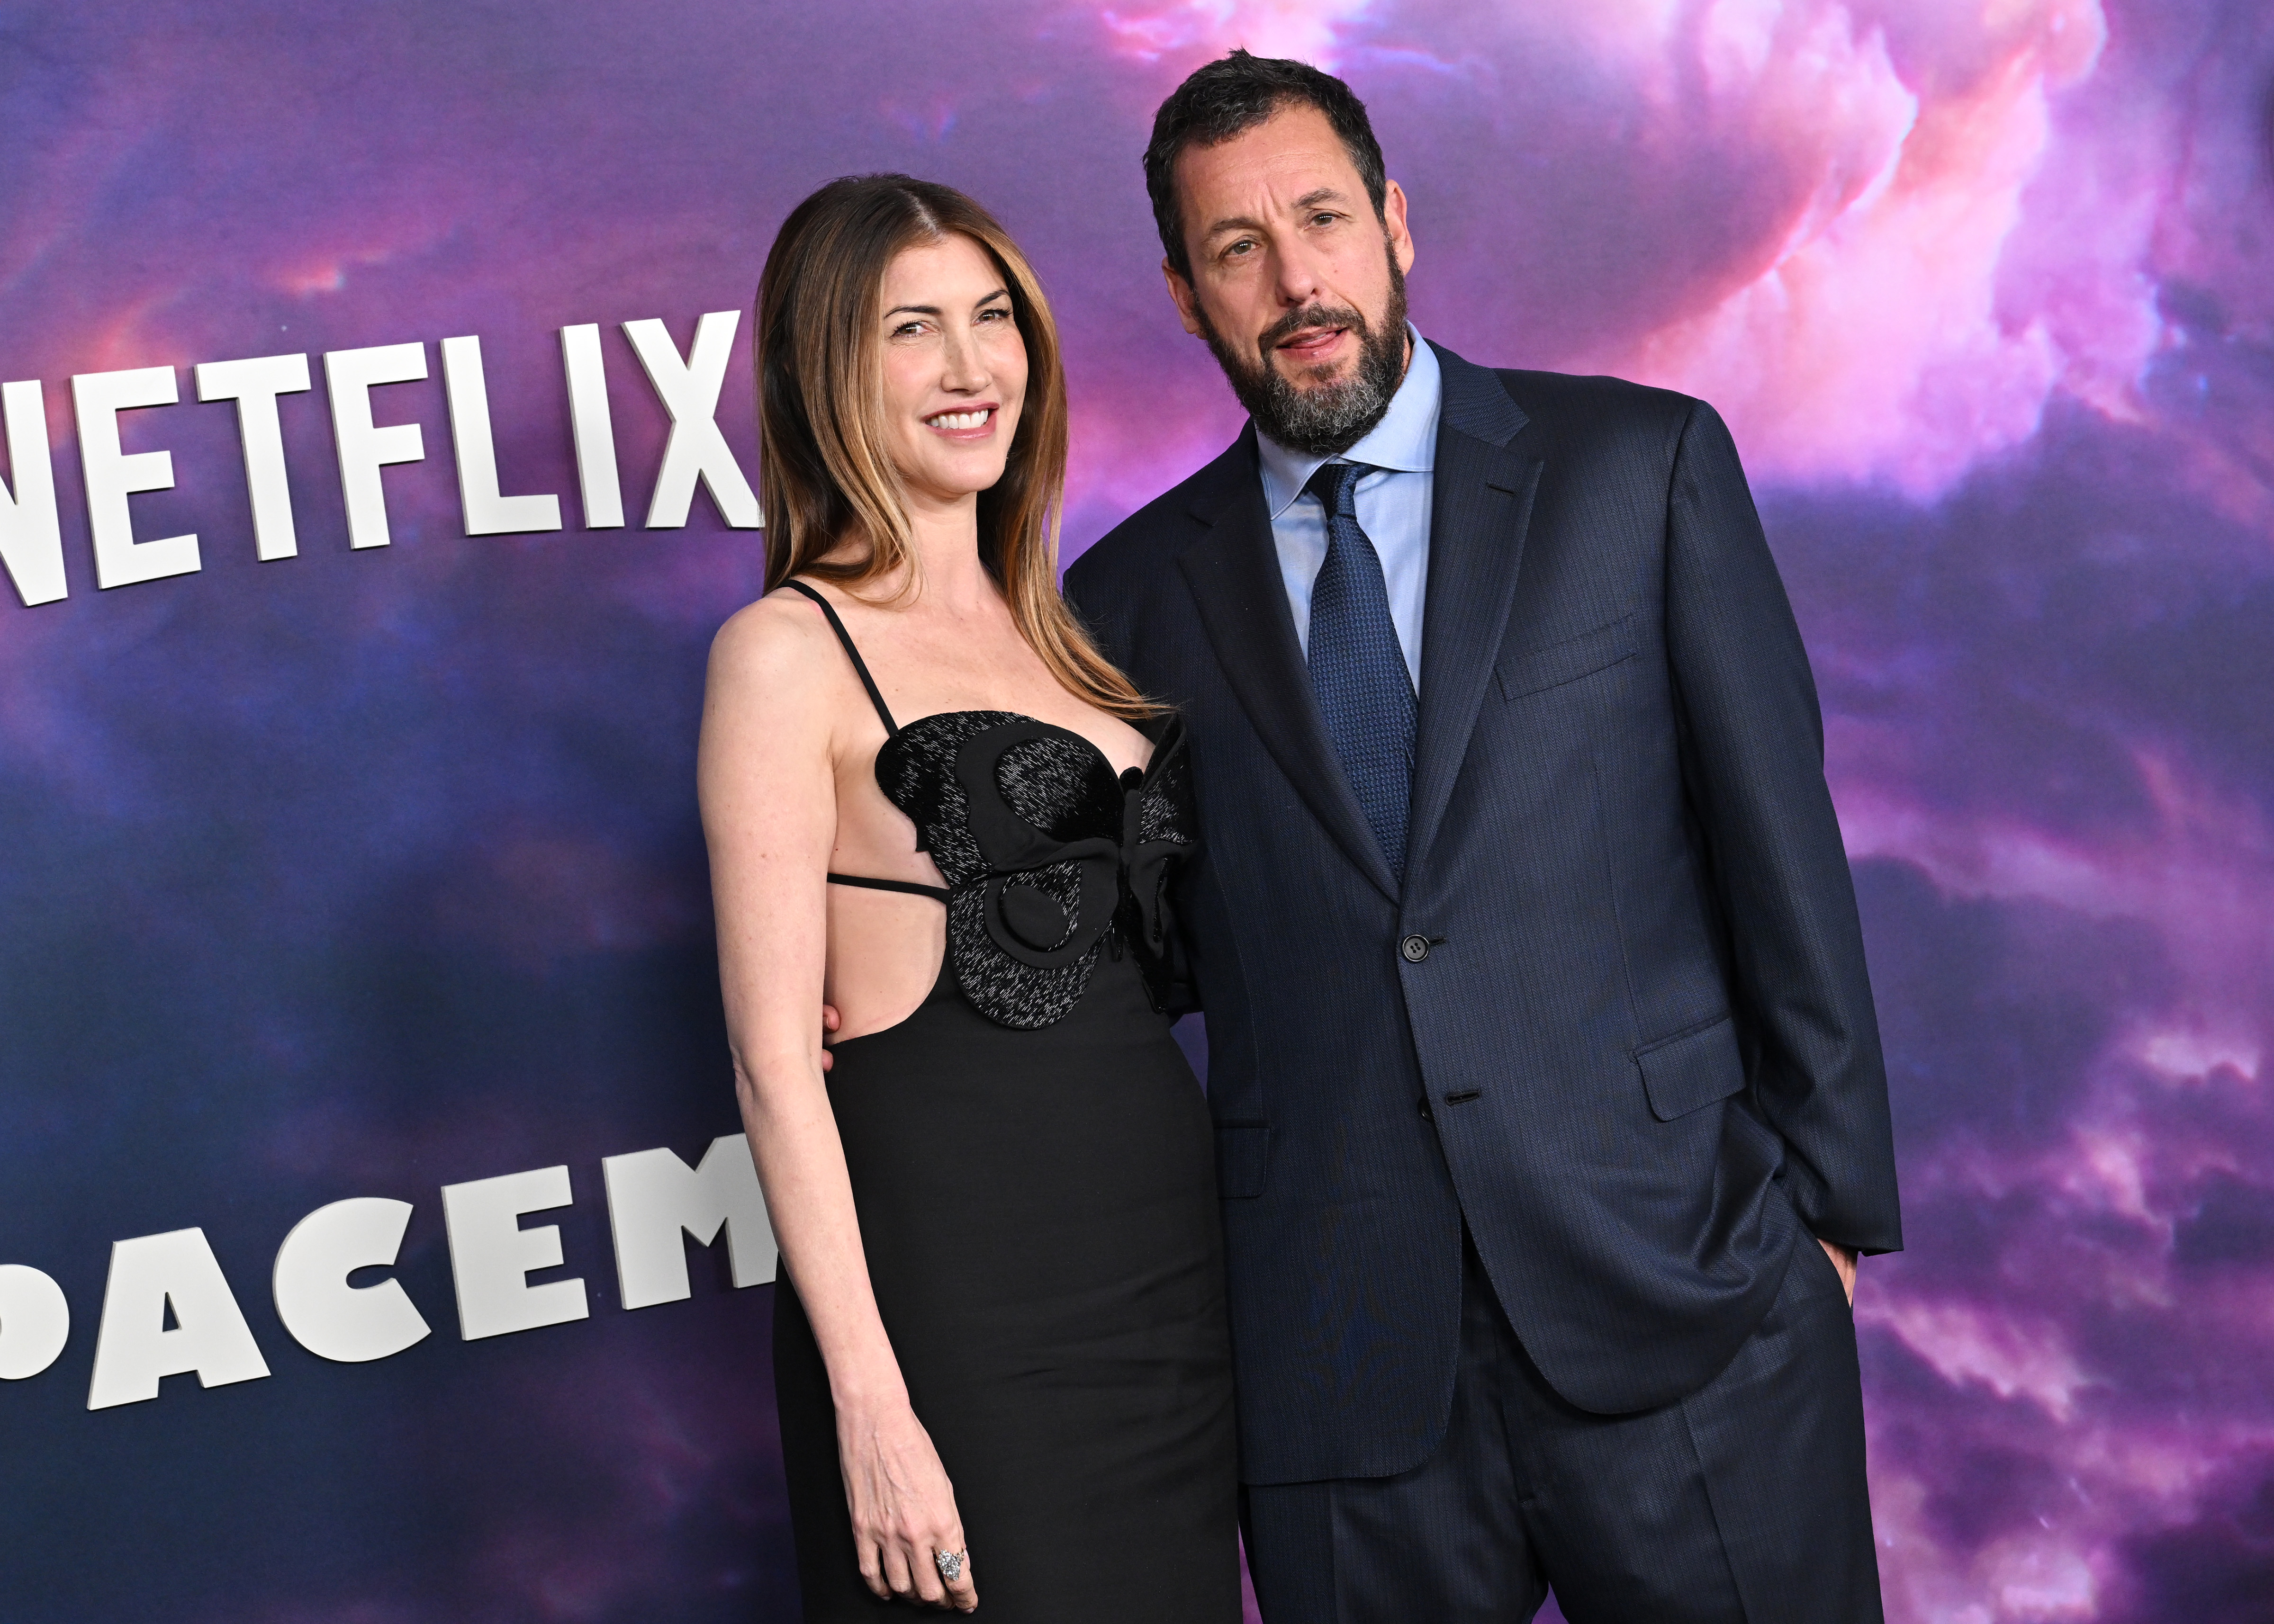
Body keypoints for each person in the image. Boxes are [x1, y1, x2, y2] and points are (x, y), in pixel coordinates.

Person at [1065, 53, 1904, 1624]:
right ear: (1186, 294)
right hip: (1343, 1384)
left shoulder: (1638, 471)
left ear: (1394, 221)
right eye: (1238, 248)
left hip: (1687, 1308)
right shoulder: (1118, 610)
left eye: (1321, 217)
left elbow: (1779, 852)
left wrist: (1824, 1223)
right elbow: (1147, 970)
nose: (1296, 275)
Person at [699, 174, 1239, 1622]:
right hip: (966, 1322)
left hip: (1170, 1297)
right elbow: (770, 1066)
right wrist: (870, 1408)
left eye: (994, 318)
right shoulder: (784, 652)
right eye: (911, 329)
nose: (970, 366)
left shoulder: (1070, 628)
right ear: (826, 367)